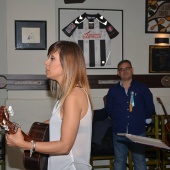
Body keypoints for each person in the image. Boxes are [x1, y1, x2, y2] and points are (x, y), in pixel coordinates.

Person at [6, 41, 93, 170]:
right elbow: (61, 123)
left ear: (67, 63)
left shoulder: (73, 96)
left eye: (52, 58)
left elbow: (64, 147)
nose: (46, 62)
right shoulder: (67, 95)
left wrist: (26, 145)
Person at [105, 60, 155, 170]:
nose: (124, 71)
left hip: (138, 132)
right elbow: (109, 109)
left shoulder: (142, 88)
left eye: (127, 68)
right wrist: (119, 119)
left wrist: (145, 120)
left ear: (132, 70)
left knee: (140, 161)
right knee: (119, 161)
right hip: (119, 133)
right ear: (118, 73)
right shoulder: (113, 91)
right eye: (121, 69)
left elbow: (150, 106)